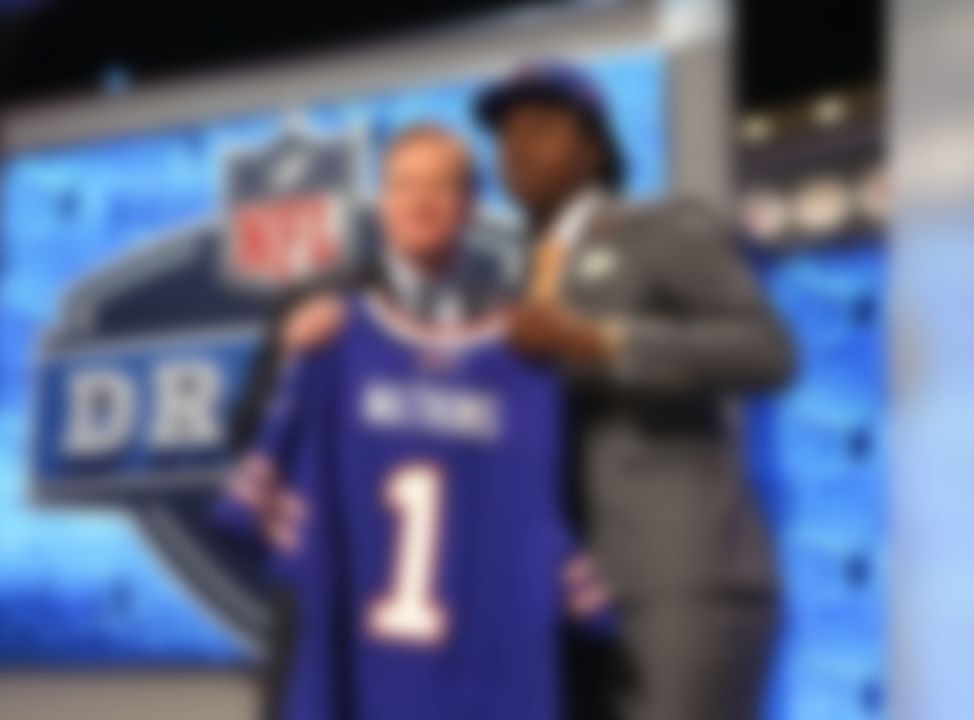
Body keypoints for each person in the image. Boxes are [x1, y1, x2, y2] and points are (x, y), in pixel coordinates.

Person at [475, 62, 796, 720]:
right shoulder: (511, 282)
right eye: (506, 135)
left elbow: (769, 350)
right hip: (568, 594)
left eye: (541, 128)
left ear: (593, 148)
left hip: (679, 579)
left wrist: (607, 341)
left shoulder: (657, 228)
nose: (518, 147)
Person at [229, 124, 514, 720]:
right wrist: (289, 355)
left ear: (471, 204)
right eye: (405, 185)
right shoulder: (319, 303)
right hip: (336, 624)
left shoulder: (504, 326)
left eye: (440, 185)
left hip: (456, 633)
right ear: (381, 202)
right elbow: (249, 436)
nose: (420, 201)